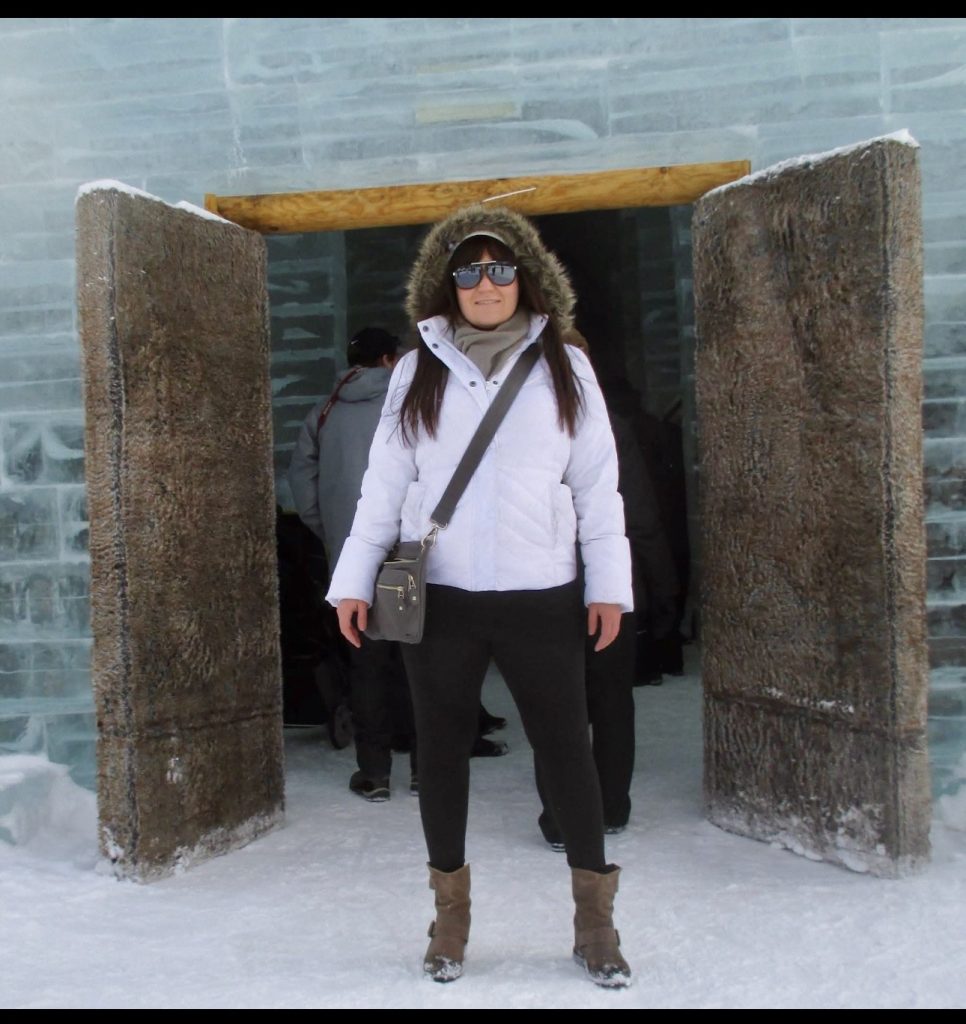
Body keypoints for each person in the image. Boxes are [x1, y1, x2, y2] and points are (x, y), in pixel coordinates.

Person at [326, 204, 634, 987]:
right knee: (441, 752)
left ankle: (595, 922)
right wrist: (352, 579)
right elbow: (385, 484)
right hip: (446, 597)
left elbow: (599, 484)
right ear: (449, 283)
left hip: (543, 594)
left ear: (524, 278)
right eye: (470, 270)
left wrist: (609, 585)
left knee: (569, 752)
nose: (487, 283)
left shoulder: (566, 362)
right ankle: (449, 920)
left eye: (501, 269)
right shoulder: (416, 369)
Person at [536, 372, 679, 847]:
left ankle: (559, 817)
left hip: (547, 583)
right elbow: (637, 514)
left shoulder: (523, 425)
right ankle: (612, 805)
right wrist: (663, 589)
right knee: (613, 697)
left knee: (555, 700)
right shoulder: (611, 426)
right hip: (610, 580)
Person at [288, 326, 417, 801]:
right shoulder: (413, 404)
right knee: (417, 660)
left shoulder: (323, 413)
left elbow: (302, 479)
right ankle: (426, 767)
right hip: (411, 555)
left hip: (351, 554)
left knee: (366, 664)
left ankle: (375, 774)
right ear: (389, 359)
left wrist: (333, 531)